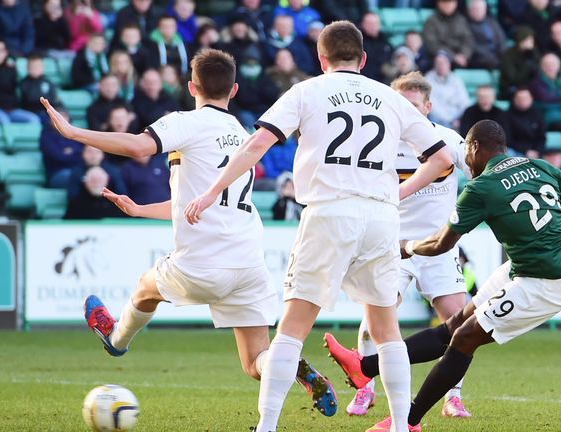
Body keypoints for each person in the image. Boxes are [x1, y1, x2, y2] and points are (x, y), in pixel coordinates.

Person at [183, 21, 454, 432]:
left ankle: (267, 427)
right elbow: (441, 160)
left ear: (321, 59)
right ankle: (400, 427)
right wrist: (395, 195)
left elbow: (257, 144)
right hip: (381, 218)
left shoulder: (307, 90)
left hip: (329, 211)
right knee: (387, 331)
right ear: (363, 59)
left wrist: (211, 191)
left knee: (292, 327)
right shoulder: (389, 97)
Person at [41, 48, 339, 421]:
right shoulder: (243, 135)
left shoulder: (184, 122)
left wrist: (71, 132)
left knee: (145, 288)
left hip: (201, 263)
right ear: (233, 90)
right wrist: (140, 210)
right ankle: (294, 367)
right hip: (249, 265)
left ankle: (116, 340)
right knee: (255, 362)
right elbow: (197, 202)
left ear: (190, 87)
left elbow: (137, 146)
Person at [326, 119, 561, 432]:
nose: (466, 161)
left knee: (464, 338)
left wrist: (404, 247)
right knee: (455, 326)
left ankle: (408, 422)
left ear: (473, 147)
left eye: (466, 151)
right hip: (525, 269)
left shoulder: (482, 187)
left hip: (545, 285)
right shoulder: (539, 165)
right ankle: (364, 367)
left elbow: (439, 244)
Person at [343, 71, 473, 421]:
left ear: (428, 107)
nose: (406, 111)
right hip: (393, 245)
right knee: (376, 316)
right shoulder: (378, 141)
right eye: (401, 104)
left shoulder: (446, 139)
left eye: (413, 105)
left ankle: (453, 396)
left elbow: (478, 167)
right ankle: (364, 386)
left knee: (458, 323)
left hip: (439, 246)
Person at [0, 39, 41, 124]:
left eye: (1, 51)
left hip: (10, 109)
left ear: (6, 52)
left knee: (33, 119)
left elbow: (13, 94)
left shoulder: (11, 70)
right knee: (5, 122)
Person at [528, 52, 561, 132]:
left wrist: (556, 93)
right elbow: (545, 98)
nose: (550, 67)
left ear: (559, 66)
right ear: (541, 67)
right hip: (549, 118)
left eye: (553, 64)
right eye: (546, 64)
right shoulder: (535, 83)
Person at [40, 108, 85, 188]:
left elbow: (83, 153)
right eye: (57, 117)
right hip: (56, 173)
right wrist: (76, 152)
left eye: (64, 116)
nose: (61, 120)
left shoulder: (74, 133)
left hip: (78, 170)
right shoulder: (46, 136)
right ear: (50, 120)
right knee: (76, 177)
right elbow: (59, 157)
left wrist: (72, 151)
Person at [422, 0, 473, 68]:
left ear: (455, 3)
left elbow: (468, 40)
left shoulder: (461, 19)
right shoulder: (431, 21)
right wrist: (452, 56)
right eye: (445, 2)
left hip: (461, 59)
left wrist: (464, 55)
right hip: (440, 58)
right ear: (439, 3)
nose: (448, 5)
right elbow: (431, 44)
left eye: (450, 2)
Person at [425, 51, 469, 129]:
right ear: (434, 65)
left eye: (444, 62)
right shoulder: (428, 78)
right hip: (437, 120)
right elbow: (431, 106)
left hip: (455, 119)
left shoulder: (456, 79)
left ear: (449, 64)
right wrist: (448, 120)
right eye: (438, 63)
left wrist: (459, 119)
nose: (441, 65)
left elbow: (464, 102)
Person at [64, 165, 128, 219]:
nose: (96, 183)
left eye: (99, 180)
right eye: (93, 180)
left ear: (107, 180)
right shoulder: (75, 204)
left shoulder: (117, 204)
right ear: (85, 182)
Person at [499, 26, 540, 99]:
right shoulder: (508, 56)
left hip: (531, 88)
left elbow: (538, 73)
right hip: (511, 88)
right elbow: (512, 78)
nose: (528, 44)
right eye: (525, 40)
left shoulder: (535, 53)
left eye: (530, 40)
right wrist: (526, 65)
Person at [505, 87, 545, 158]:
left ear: (531, 99)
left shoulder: (537, 114)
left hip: (535, 152)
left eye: (525, 98)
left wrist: (537, 151)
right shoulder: (506, 115)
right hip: (515, 151)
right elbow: (507, 140)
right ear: (514, 100)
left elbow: (541, 138)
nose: (522, 101)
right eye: (520, 98)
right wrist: (526, 151)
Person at [466, 0, 507, 70]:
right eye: (475, 9)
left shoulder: (492, 23)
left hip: (496, 57)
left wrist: (504, 56)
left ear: (485, 10)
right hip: (478, 59)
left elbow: (502, 41)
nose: (478, 12)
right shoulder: (465, 25)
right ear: (469, 10)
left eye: (481, 9)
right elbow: (471, 46)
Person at [360, 12, 392, 83]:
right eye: (370, 24)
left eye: (375, 24)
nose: (373, 27)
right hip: (362, 81)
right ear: (363, 24)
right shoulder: (357, 41)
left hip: (382, 82)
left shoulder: (385, 42)